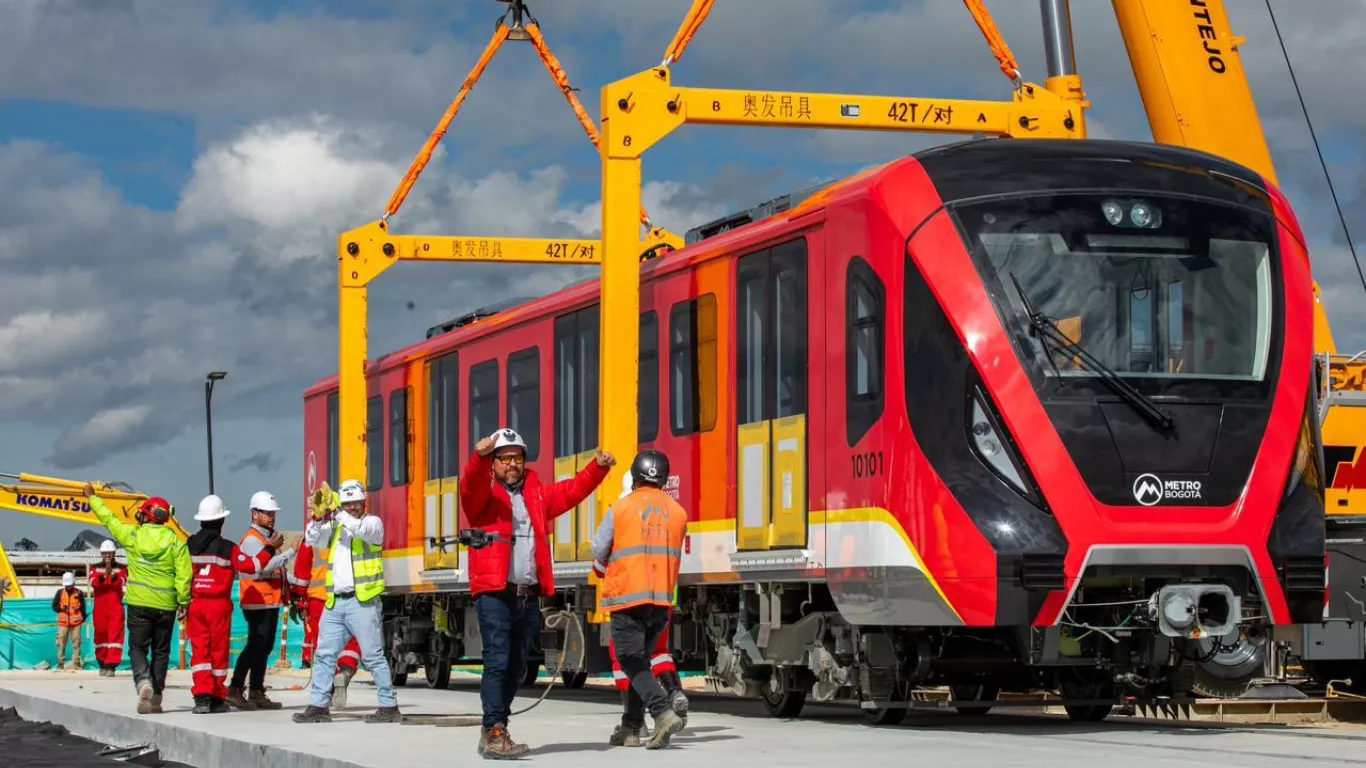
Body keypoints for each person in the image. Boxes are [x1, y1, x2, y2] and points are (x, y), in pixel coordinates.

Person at [460, 428, 614, 758]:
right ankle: (496, 729)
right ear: (494, 463)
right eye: (504, 459)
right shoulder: (483, 497)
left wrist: (597, 468)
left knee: (517, 668)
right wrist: (479, 457)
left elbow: (571, 492)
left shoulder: (537, 494)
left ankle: (492, 728)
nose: (512, 464)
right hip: (494, 593)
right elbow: (469, 486)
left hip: (527, 595)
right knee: (498, 663)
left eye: (517, 458)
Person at [592, 450, 689, 749]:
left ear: (634, 477)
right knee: (641, 662)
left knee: (629, 660)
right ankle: (631, 728)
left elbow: (599, 550)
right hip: (661, 601)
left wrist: (600, 569)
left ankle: (661, 712)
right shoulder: (678, 512)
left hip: (628, 597)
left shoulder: (620, 509)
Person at [292, 479, 401, 724]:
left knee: (373, 655)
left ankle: (389, 705)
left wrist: (337, 511)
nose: (351, 507)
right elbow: (313, 540)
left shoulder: (373, 524)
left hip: (362, 601)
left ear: (364, 502)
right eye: (347, 503)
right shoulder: (337, 526)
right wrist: (318, 519)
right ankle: (319, 705)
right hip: (336, 602)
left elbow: (359, 529)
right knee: (324, 655)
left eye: (355, 503)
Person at [83, 482, 191, 714]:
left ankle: (143, 682)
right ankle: (157, 695)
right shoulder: (176, 543)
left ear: (146, 515)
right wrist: (183, 602)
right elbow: (184, 574)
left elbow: (109, 519)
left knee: (137, 648)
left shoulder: (133, 535)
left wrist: (92, 498)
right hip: (166, 605)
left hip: (139, 603)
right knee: (161, 651)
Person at [187, 494, 276, 714]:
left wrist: (182, 601)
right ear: (222, 521)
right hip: (217, 606)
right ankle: (216, 697)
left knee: (199, 653)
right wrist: (270, 549)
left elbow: (180, 574)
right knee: (217, 652)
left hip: (195, 605)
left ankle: (201, 697)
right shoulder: (227, 547)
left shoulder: (189, 545)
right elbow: (252, 566)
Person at [289, 481, 363, 710]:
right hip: (348, 595)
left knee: (324, 647)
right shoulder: (350, 530)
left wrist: (298, 598)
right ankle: (346, 671)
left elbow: (301, 573)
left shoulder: (311, 537)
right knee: (353, 641)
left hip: (318, 600)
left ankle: (327, 690)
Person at [228, 490, 296, 710]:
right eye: (267, 513)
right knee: (256, 645)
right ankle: (236, 688)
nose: (271, 517)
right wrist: (290, 553)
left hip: (269, 600)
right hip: (257, 600)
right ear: (254, 514)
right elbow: (265, 566)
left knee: (264, 647)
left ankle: (256, 690)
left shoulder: (267, 538)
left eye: (272, 513)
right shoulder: (252, 540)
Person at [87, 539, 127, 676]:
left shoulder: (121, 568)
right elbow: (93, 582)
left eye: (109, 553)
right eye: (105, 553)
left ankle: (111, 664)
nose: (107, 556)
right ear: (101, 554)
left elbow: (121, 581)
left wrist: (114, 576)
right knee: (101, 635)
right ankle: (102, 662)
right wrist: (104, 576)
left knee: (115, 636)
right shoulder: (95, 567)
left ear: (114, 553)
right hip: (100, 608)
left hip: (115, 607)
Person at [51, 571, 87, 671]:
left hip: (76, 623)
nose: (68, 587)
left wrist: (83, 617)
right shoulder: (60, 592)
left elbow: (83, 607)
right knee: (61, 644)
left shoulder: (79, 593)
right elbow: (54, 606)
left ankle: (77, 665)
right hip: (63, 623)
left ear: (73, 583)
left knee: (76, 644)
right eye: (67, 585)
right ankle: (60, 665)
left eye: (70, 585)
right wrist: (61, 608)